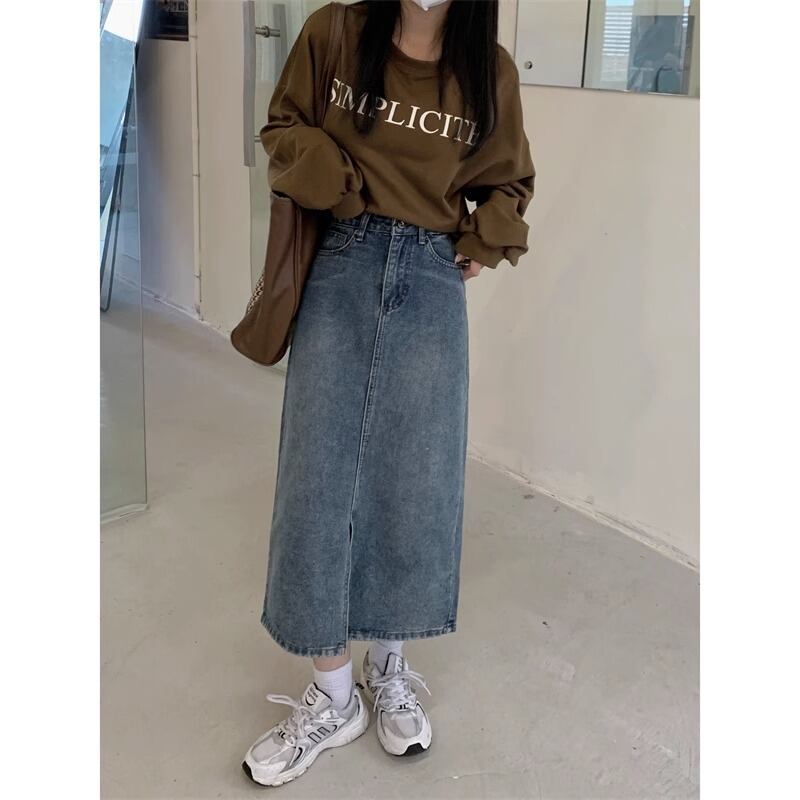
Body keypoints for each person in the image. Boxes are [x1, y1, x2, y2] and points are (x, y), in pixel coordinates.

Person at [242, 0, 534, 786]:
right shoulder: (334, 33)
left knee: (414, 480)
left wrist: (482, 238)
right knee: (317, 481)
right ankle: (333, 694)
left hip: (432, 279)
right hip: (342, 262)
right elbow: (283, 128)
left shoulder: (488, 71)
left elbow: (509, 179)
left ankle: (387, 664)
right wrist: (340, 185)